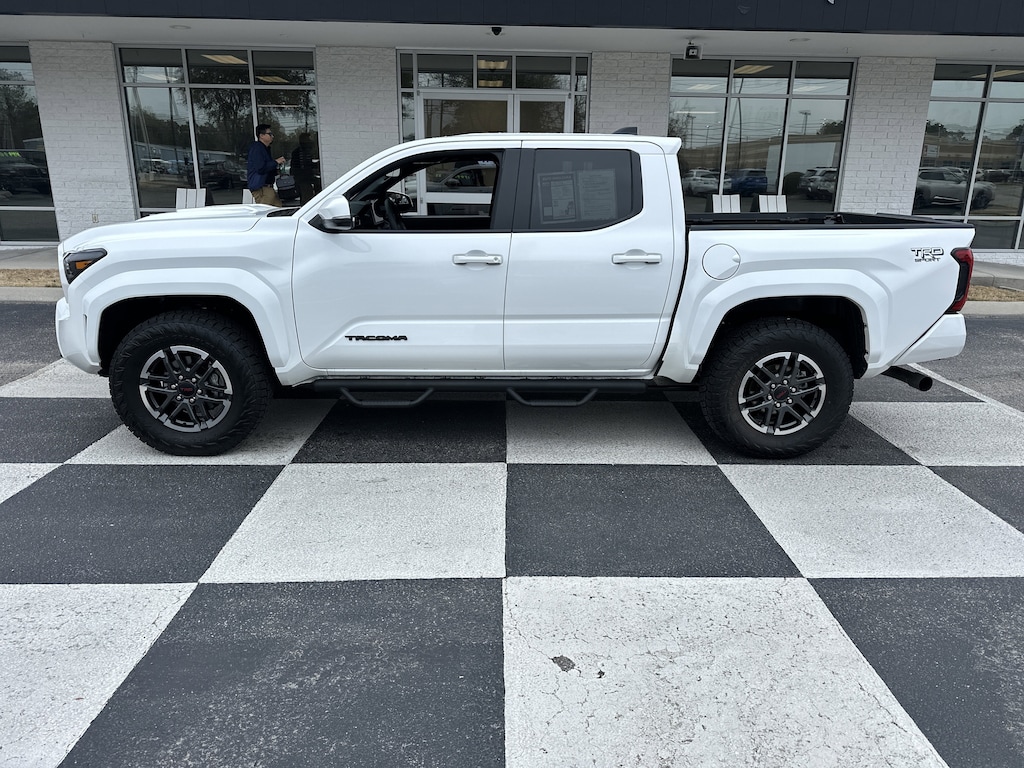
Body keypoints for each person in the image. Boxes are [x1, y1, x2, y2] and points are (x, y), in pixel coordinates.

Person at [247, 124, 285, 206]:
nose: (272, 136)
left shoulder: (265, 149)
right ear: (261, 136)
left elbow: (266, 168)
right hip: (262, 188)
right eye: (270, 134)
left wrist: (276, 171)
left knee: (278, 210)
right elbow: (260, 168)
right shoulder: (257, 148)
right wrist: (276, 162)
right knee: (265, 213)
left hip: (268, 187)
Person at [290, 132, 319, 205]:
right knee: (307, 198)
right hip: (302, 179)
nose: (309, 140)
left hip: (308, 177)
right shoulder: (299, 152)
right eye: (308, 139)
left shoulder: (307, 151)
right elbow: (300, 166)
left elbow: (308, 164)